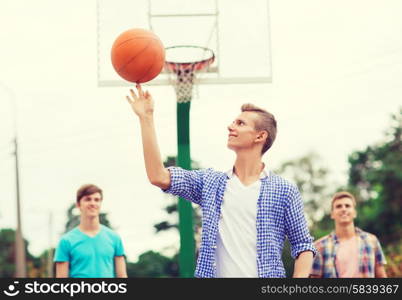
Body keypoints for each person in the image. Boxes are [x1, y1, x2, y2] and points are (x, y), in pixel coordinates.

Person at [126, 84, 315, 278]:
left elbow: (303, 245)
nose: (230, 126)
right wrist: (146, 118)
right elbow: (158, 176)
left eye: (240, 123)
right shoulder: (210, 183)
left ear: (260, 136)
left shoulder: (284, 190)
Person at [54, 184, 127, 278]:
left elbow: (122, 276)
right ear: (78, 205)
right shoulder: (66, 241)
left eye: (97, 200)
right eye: (88, 199)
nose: (93, 203)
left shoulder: (114, 238)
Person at [310, 191, 387, 278]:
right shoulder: (319, 246)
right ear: (332, 214)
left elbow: (381, 276)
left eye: (347, 206)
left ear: (354, 212)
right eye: (338, 206)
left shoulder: (371, 241)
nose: (343, 209)